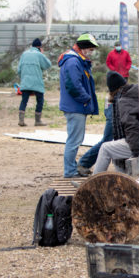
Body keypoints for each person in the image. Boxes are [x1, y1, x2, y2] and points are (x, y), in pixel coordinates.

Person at [93, 71, 139, 174]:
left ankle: (92, 183)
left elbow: (131, 126)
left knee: (105, 148)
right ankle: (122, 184)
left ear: (113, 90)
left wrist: (135, 151)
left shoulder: (125, 100)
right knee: (116, 149)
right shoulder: (138, 94)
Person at [58, 33, 100, 177]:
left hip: (76, 106)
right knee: (74, 141)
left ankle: (71, 169)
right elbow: (73, 85)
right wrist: (86, 98)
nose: (91, 52)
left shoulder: (76, 60)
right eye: (91, 49)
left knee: (75, 139)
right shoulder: (73, 62)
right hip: (75, 106)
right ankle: (70, 171)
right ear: (83, 48)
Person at [16, 38, 51, 127]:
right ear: (39, 47)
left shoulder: (24, 54)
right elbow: (48, 65)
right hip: (37, 82)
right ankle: (37, 121)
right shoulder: (39, 54)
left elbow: (19, 70)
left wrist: (23, 79)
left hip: (25, 81)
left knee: (24, 100)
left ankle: (21, 120)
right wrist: (42, 54)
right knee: (40, 100)